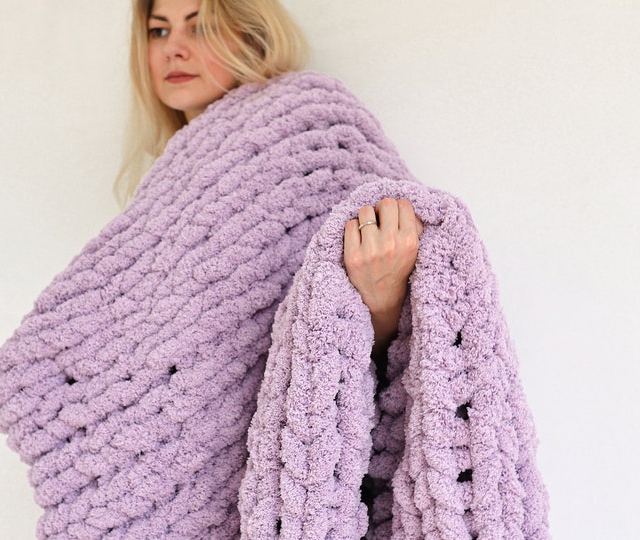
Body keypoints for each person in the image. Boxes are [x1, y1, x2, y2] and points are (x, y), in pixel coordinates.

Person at [117, 0, 423, 359]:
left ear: (252, 36)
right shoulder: (162, 184)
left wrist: (382, 299)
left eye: (200, 27)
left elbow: (407, 312)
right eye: (159, 31)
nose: (173, 48)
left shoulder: (312, 128)